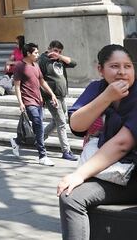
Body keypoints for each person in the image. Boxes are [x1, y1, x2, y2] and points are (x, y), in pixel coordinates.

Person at [57, 44, 137, 240]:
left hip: (132, 173)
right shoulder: (97, 88)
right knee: (70, 196)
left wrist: (79, 174)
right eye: (115, 66)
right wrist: (106, 97)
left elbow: (122, 143)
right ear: (100, 69)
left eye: (128, 66)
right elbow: (77, 125)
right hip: (115, 171)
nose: (122, 72)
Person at [9, 42, 58, 166]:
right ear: (28, 53)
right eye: (35, 52)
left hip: (39, 101)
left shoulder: (36, 65)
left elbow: (42, 81)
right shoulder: (20, 66)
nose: (38, 54)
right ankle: (43, 156)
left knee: (36, 128)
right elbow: (17, 86)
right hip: (28, 101)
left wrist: (52, 94)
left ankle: (17, 141)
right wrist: (20, 103)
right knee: (38, 124)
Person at [38, 40, 78, 161]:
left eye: (60, 51)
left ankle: (39, 139)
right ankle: (66, 151)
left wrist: (59, 57)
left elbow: (74, 63)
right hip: (51, 97)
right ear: (49, 48)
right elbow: (39, 80)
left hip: (62, 96)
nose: (57, 53)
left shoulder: (59, 59)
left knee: (56, 122)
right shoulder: (43, 60)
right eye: (55, 50)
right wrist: (43, 97)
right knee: (61, 123)